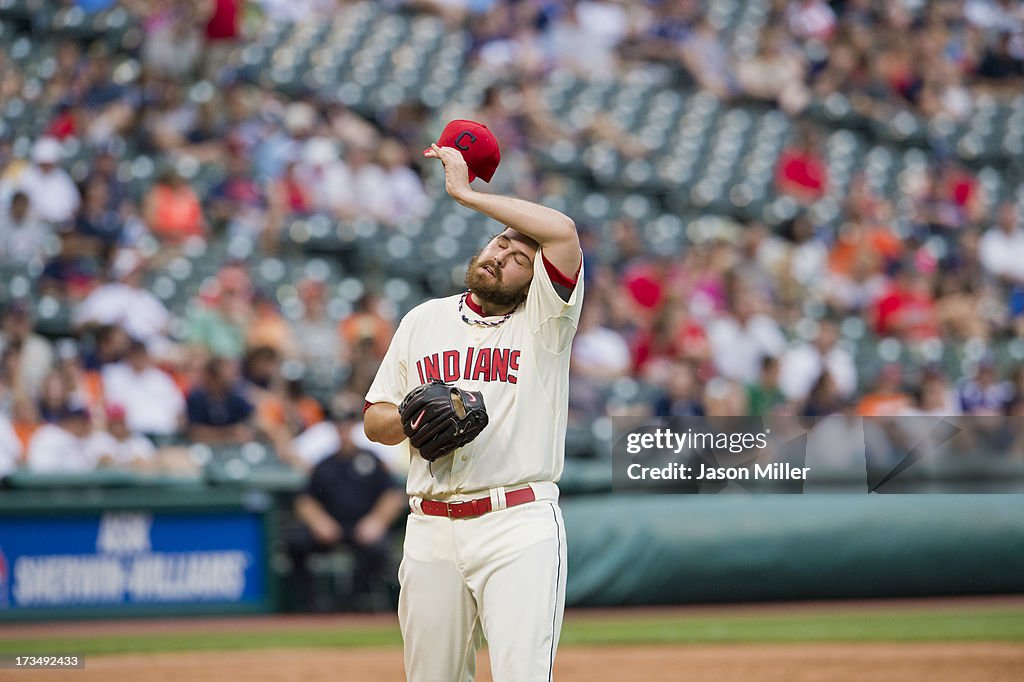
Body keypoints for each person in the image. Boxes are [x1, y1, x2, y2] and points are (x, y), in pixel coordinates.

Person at [364, 120, 583, 681]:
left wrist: (467, 194)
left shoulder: (544, 322)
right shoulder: (424, 320)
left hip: (517, 522)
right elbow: (376, 420)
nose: (502, 252)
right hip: (430, 526)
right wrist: (414, 417)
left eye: (517, 256)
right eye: (498, 242)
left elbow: (561, 232)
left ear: (535, 281)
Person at [287, 409, 406, 612]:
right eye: (339, 425)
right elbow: (305, 499)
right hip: (332, 526)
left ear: (354, 427)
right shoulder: (325, 464)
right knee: (296, 543)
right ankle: (310, 604)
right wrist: (319, 521)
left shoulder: (371, 459)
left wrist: (376, 521)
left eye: (347, 425)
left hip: (363, 526)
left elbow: (393, 495)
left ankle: (351, 603)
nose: (343, 430)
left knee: (379, 550)